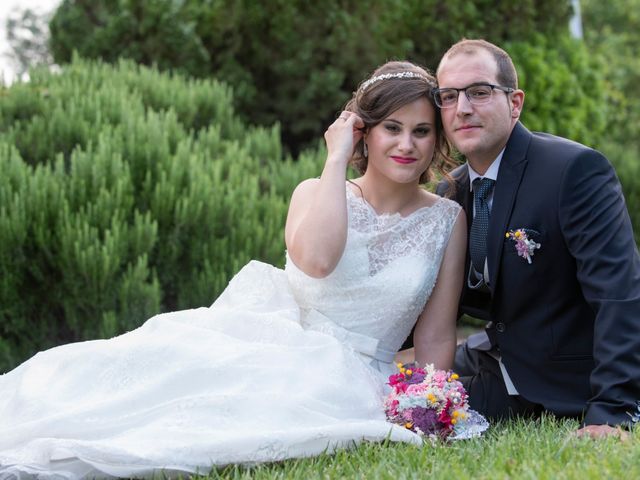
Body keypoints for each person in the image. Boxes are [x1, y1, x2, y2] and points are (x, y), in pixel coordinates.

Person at [0, 61, 471, 478]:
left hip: (362, 374)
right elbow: (319, 260)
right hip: (280, 339)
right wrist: (335, 159)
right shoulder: (315, 191)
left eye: (422, 131)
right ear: (362, 131)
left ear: (437, 138)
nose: (407, 144)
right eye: (392, 127)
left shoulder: (446, 221)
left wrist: (429, 405)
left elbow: (434, 337)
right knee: (157, 389)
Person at [432, 38, 640, 438]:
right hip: (492, 358)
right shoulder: (451, 192)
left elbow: (619, 293)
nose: (463, 108)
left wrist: (611, 411)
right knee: (394, 403)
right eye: (449, 96)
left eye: (479, 92)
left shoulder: (574, 171)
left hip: (568, 380)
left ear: (515, 103)